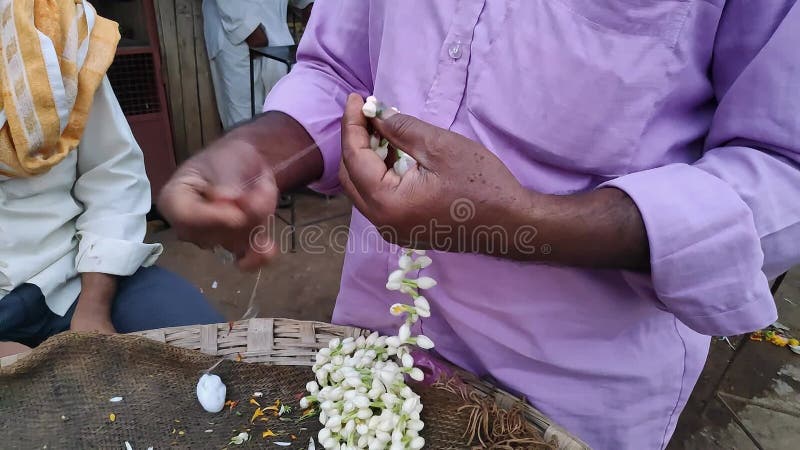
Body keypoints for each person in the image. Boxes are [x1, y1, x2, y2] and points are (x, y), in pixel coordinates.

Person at [158, 1, 800, 448]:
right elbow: (342, 72)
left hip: (569, 390)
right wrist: (262, 157)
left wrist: (526, 223)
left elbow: (781, 167)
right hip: (370, 348)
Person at [0, 1, 223, 356]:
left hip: (81, 272)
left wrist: (94, 304)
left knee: (212, 354)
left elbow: (112, 173)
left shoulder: (54, 30)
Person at [203, 0, 313, 130]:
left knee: (280, 114)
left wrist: (309, 6)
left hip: (274, 36)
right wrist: (246, 27)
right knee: (244, 123)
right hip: (238, 35)